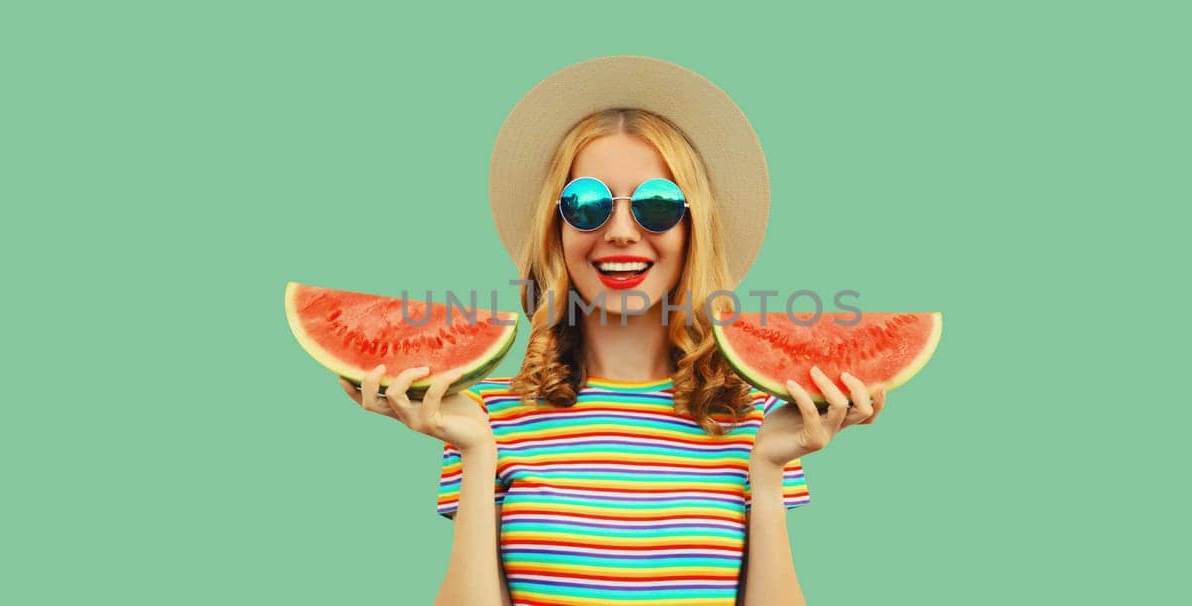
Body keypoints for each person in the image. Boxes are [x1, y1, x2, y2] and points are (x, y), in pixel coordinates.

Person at [339, 56, 886, 606]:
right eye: (588, 205)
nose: (621, 232)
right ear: (557, 228)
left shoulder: (757, 422)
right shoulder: (483, 417)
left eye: (656, 205)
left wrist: (766, 471)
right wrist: (478, 453)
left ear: (693, 228)